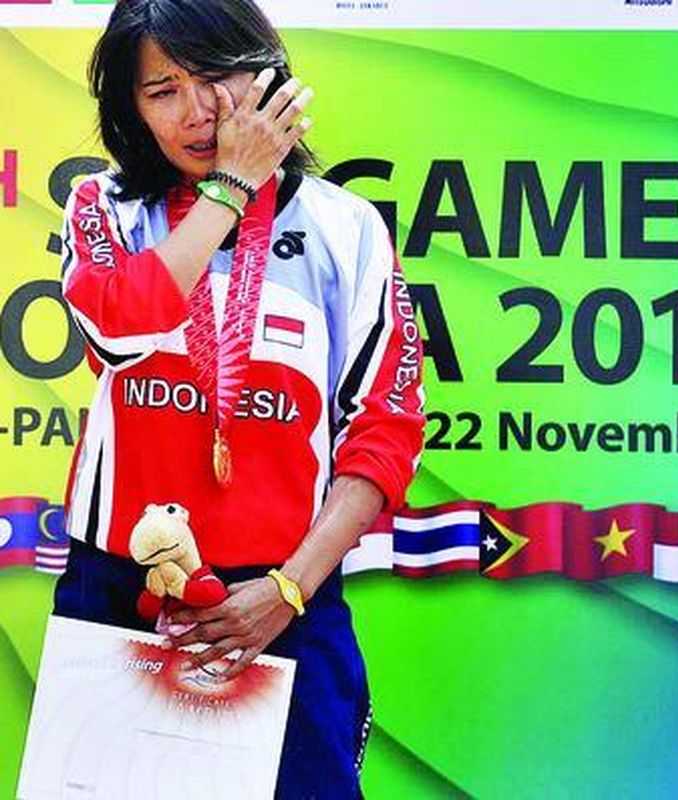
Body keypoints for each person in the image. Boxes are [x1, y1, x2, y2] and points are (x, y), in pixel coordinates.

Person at [54, 1, 424, 797]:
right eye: (162, 90)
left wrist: (288, 589)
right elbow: (122, 332)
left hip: (280, 602)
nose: (197, 112)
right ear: (130, 108)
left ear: (266, 73)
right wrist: (232, 186)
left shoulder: (346, 228)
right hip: (119, 592)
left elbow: (384, 431)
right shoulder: (103, 209)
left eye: (217, 77)